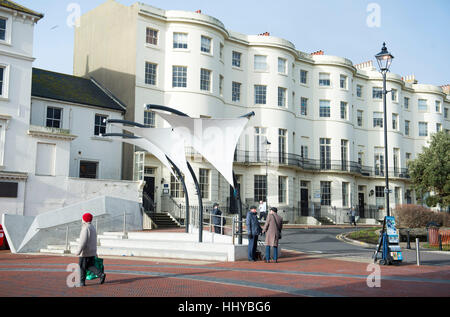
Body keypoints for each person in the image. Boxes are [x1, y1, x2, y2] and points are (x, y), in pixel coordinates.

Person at [76, 213, 106, 287]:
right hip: (91, 251)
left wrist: (78, 251)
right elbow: (94, 240)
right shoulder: (92, 227)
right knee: (90, 266)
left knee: (82, 267)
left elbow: (83, 241)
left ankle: (81, 282)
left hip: (85, 252)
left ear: (84, 219)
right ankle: (101, 274)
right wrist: (95, 252)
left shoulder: (85, 228)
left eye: (83, 218)